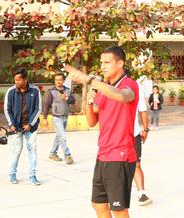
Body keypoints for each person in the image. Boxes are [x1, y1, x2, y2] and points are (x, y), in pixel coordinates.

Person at [65, 46, 139, 218]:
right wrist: (90, 101)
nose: (103, 66)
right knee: (98, 204)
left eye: (107, 62)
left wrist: (90, 80)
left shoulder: (129, 85)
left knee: (119, 210)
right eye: (101, 63)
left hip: (120, 155)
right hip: (103, 154)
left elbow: (122, 96)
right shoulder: (103, 89)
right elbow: (91, 122)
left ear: (120, 63)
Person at [4, 68, 42, 186]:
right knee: (16, 151)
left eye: (18, 80)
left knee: (32, 151)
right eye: (15, 80)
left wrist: (30, 124)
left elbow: (38, 108)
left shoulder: (35, 91)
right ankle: (12, 174)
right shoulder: (11, 92)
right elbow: (7, 109)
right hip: (16, 128)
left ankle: (32, 176)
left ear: (25, 79)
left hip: (31, 127)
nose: (16, 82)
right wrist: (11, 124)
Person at [42, 72, 75, 165]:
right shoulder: (51, 91)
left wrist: (67, 98)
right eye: (56, 80)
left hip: (65, 116)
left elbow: (73, 100)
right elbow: (46, 105)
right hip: (56, 118)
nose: (58, 82)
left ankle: (53, 154)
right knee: (62, 137)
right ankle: (67, 155)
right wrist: (44, 118)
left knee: (59, 136)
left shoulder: (67, 90)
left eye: (60, 80)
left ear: (63, 80)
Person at [133, 78, 152, 206]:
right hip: (115, 137)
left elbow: (142, 109)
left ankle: (141, 194)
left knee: (136, 165)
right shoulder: (107, 85)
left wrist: (145, 129)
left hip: (133, 134)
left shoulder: (135, 86)